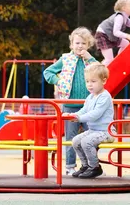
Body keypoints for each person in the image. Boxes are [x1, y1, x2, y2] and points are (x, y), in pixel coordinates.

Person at [44, 27, 98, 175]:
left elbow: (102, 71)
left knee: (91, 137)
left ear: (88, 45)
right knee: (71, 138)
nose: (80, 46)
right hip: (70, 105)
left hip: (89, 106)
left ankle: (92, 166)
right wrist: (58, 80)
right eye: (77, 43)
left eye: (83, 43)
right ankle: (70, 166)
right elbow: (47, 72)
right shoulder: (66, 59)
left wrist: (90, 58)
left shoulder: (90, 61)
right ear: (72, 45)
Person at [66, 63, 115, 179]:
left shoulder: (104, 96)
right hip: (93, 130)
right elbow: (84, 110)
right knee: (75, 141)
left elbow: (96, 114)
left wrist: (79, 118)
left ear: (103, 81)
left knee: (86, 142)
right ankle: (86, 165)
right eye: (87, 81)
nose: (89, 85)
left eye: (93, 81)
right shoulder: (91, 97)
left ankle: (95, 167)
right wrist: (73, 115)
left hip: (106, 131)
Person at [95, 0, 130, 64]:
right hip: (103, 34)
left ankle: (119, 60)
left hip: (110, 35)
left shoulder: (125, 18)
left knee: (125, 44)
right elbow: (116, 32)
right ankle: (98, 72)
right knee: (109, 59)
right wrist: (128, 36)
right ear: (124, 8)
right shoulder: (119, 17)